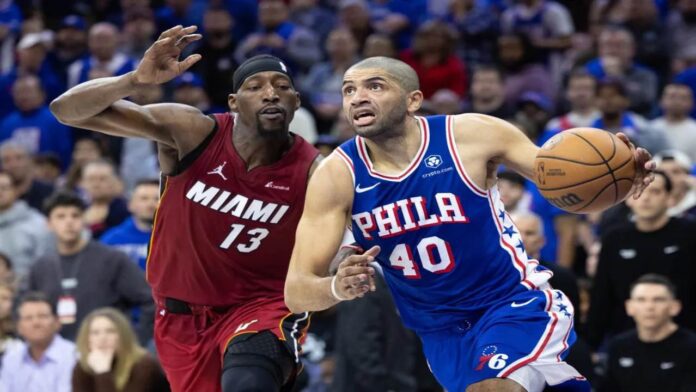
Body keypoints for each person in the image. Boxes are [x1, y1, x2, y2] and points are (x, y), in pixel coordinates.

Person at [284, 56, 653, 392]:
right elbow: (297, 290)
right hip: (439, 332)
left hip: (510, 301)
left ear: (413, 100)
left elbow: (559, 177)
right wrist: (336, 287)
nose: (357, 97)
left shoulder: (472, 136)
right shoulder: (337, 175)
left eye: (374, 86)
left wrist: (619, 175)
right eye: (348, 90)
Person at [50, 24, 321, 392]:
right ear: (233, 103)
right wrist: (134, 80)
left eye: (282, 87)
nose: (271, 94)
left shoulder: (315, 170)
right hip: (179, 316)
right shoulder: (193, 131)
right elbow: (66, 110)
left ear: (296, 102)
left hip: (261, 307)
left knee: (247, 384)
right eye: (255, 87)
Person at [587, 171, 696, 349]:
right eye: (639, 192)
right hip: (624, 339)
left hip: (685, 338)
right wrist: (592, 343)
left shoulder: (690, 234)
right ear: (628, 199)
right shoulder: (614, 238)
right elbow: (602, 294)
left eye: (655, 191)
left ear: (670, 198)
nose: (646, 198)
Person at [26, 192, 155, 342]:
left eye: (75, 216)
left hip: (109, 351)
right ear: (48, 224)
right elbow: (26, 308)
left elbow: (149, 298)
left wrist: (135, 340)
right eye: (61, 216)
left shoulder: (112, 259)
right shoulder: (40, 267)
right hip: (57, 355)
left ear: (84, 220)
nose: (69, 222)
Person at [600, 274, 696, 392]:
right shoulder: (619, 346)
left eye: (658, 300)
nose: (649, 307)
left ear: (674, 307)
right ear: (629, 307)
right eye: (641, 300)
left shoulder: (691, 347)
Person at [72, 307, 169, 392]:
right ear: (86, 338)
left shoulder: (143, 365)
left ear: (123, 335)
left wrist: (103, 372)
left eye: (110, 331)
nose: (102, 338)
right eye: (95, 333)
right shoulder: (82, 367)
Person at [0, 292, 77, 392]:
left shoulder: (73, 356)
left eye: (42, 316)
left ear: (57, 322)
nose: (36, 323)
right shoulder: (11, 359)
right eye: (28, 318)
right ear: (18, 327)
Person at [0, 171, 52, 280]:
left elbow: (46, 263)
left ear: (16, 190)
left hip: (28, 291)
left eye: (4, 188)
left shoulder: (37, 223)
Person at [101, 179, 160, 271]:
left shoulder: (176, 238)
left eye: (157, 199)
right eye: (144, 198)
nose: (150, 204)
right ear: (130, 204)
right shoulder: (112, 239)